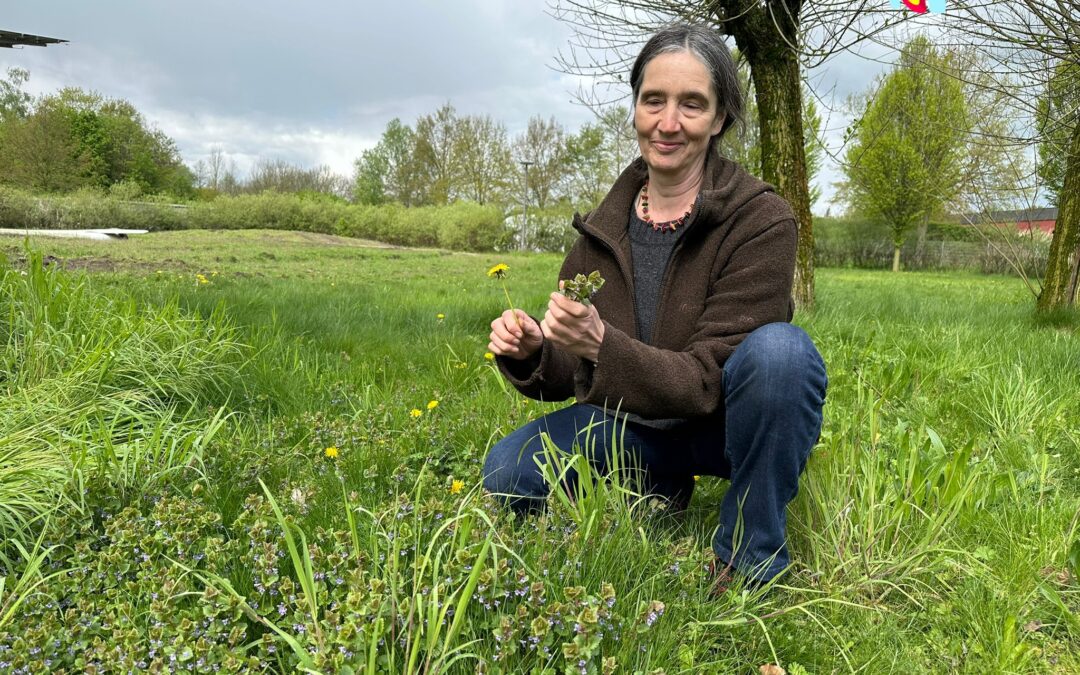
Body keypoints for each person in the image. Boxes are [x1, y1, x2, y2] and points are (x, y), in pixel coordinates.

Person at [483, 23, 827, 590]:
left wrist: (602, 345)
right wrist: (537, 350)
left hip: (724, 428)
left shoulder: (761, 220)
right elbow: (575, 371)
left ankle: (749, 552)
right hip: (634, 424)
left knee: (782, 355)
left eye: (692, 104)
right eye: (654, 100)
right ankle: (656, 484)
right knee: (507, 472)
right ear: (636, 108)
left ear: (719, 118)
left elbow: (707, 382)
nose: (668, 123)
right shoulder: (604, 228)